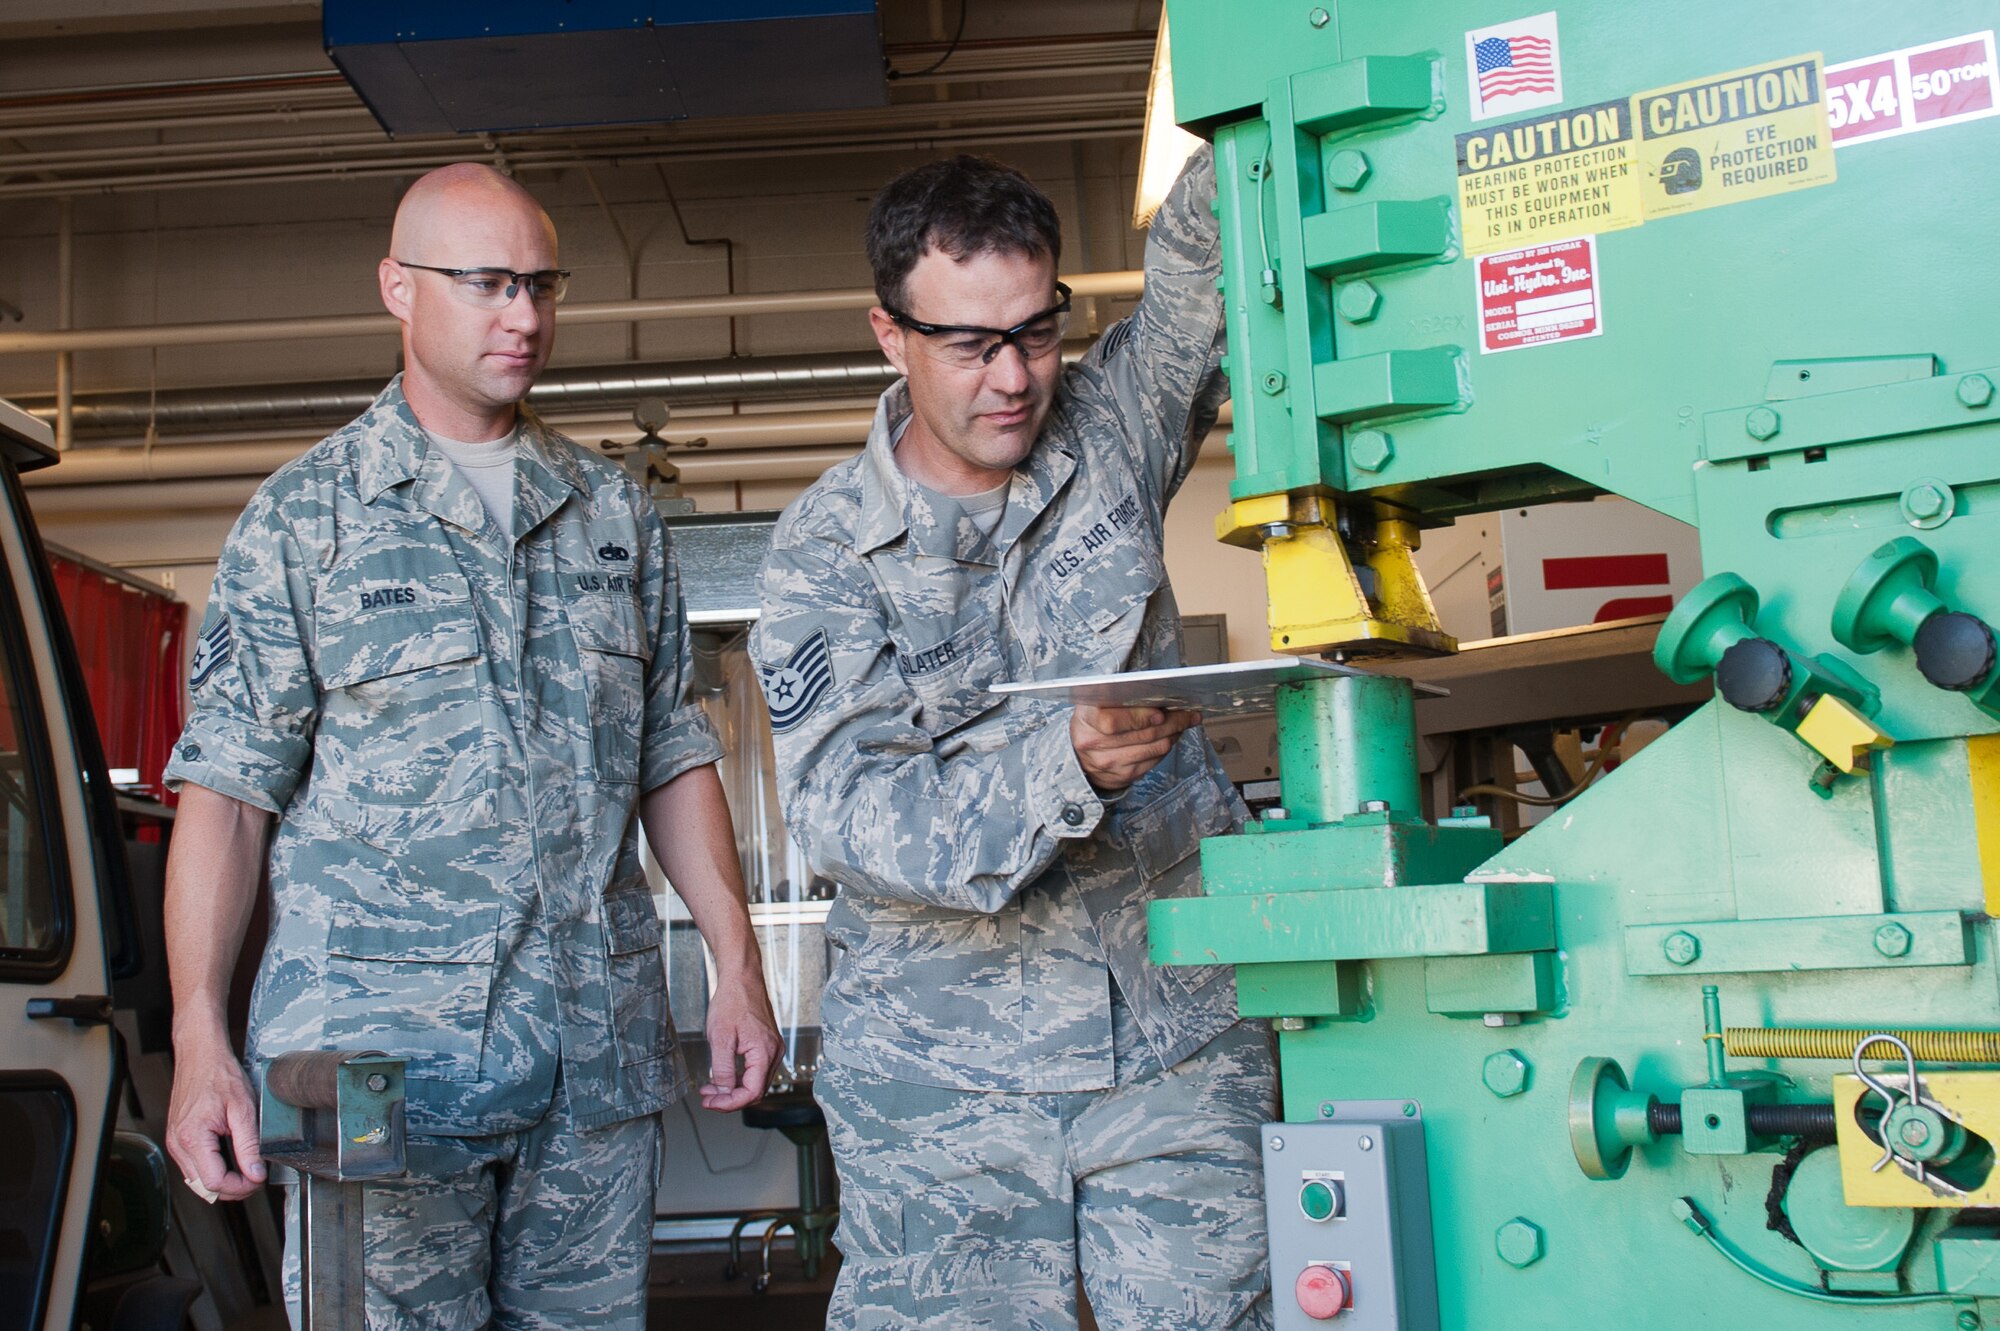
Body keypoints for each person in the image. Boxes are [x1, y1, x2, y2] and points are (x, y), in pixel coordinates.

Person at [161, 163, 783, 1331]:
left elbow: (668, 753)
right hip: (378, 1072)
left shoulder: (610, 513)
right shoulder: (307, 517)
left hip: (589, 1062)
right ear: (398, 287)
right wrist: (200, 1037)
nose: (526, 316)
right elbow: (229, 793)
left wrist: (739, 968)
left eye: (543, 285)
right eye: (489, 283)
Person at [750, 147, 1274, 1328]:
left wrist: (1249, 112)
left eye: (1035, 334)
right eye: (969, 345)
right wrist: (1064, 765)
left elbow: (1198, 273)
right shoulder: (826, 552)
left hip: (1174, 1028)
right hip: (946, 1075)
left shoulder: (1109, 431)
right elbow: (842, 808)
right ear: (889, 333)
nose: (1012, 378)